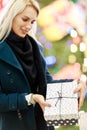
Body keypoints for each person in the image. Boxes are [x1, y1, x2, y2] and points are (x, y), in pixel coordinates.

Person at [0, 0, 86, 130]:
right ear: (11, 16)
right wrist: (29, 99)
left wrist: (76, 83)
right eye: (25, 19)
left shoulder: (36, 48)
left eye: (32, 22)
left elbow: (47, 84)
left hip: (43, 124)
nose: (29, 26)